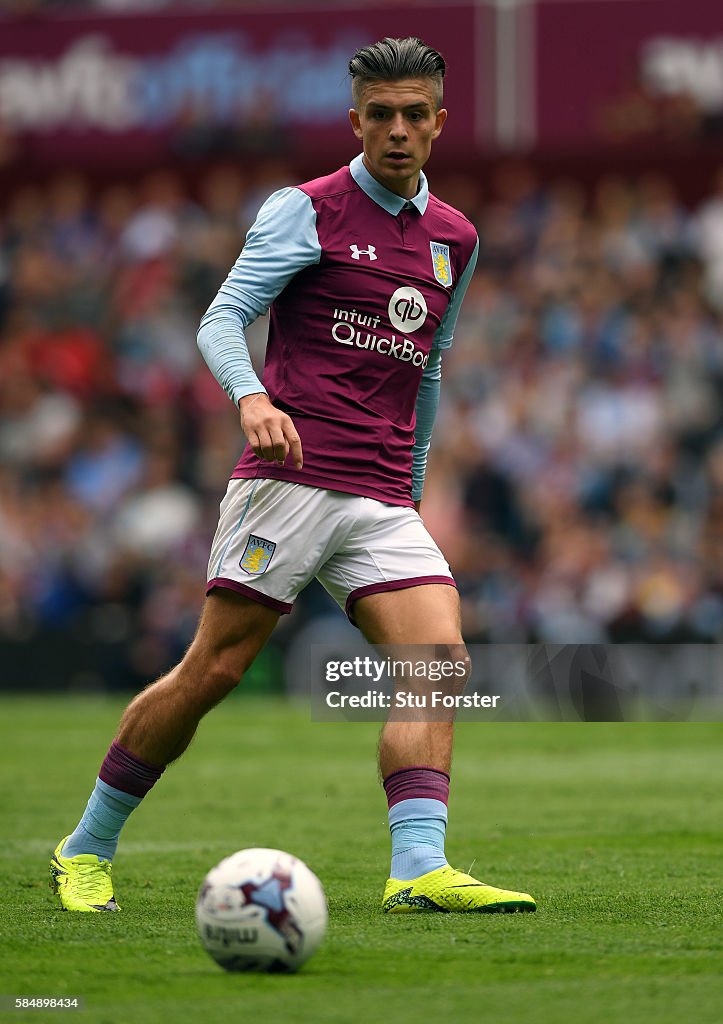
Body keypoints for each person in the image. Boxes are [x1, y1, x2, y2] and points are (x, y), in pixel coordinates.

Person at [50, 37, 536, 915]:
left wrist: (415, 479)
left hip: (381, 492)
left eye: (413, 115)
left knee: (437, 663)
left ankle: (417, 869)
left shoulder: (455, 238)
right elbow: (223, 317)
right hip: (291, 477)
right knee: (214, 672)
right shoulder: (306, 209)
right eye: (379, 116)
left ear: (438, 123)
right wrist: (249, 399)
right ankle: (85, 847)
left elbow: (426, 372)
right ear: (355, 122)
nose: (396, 131)